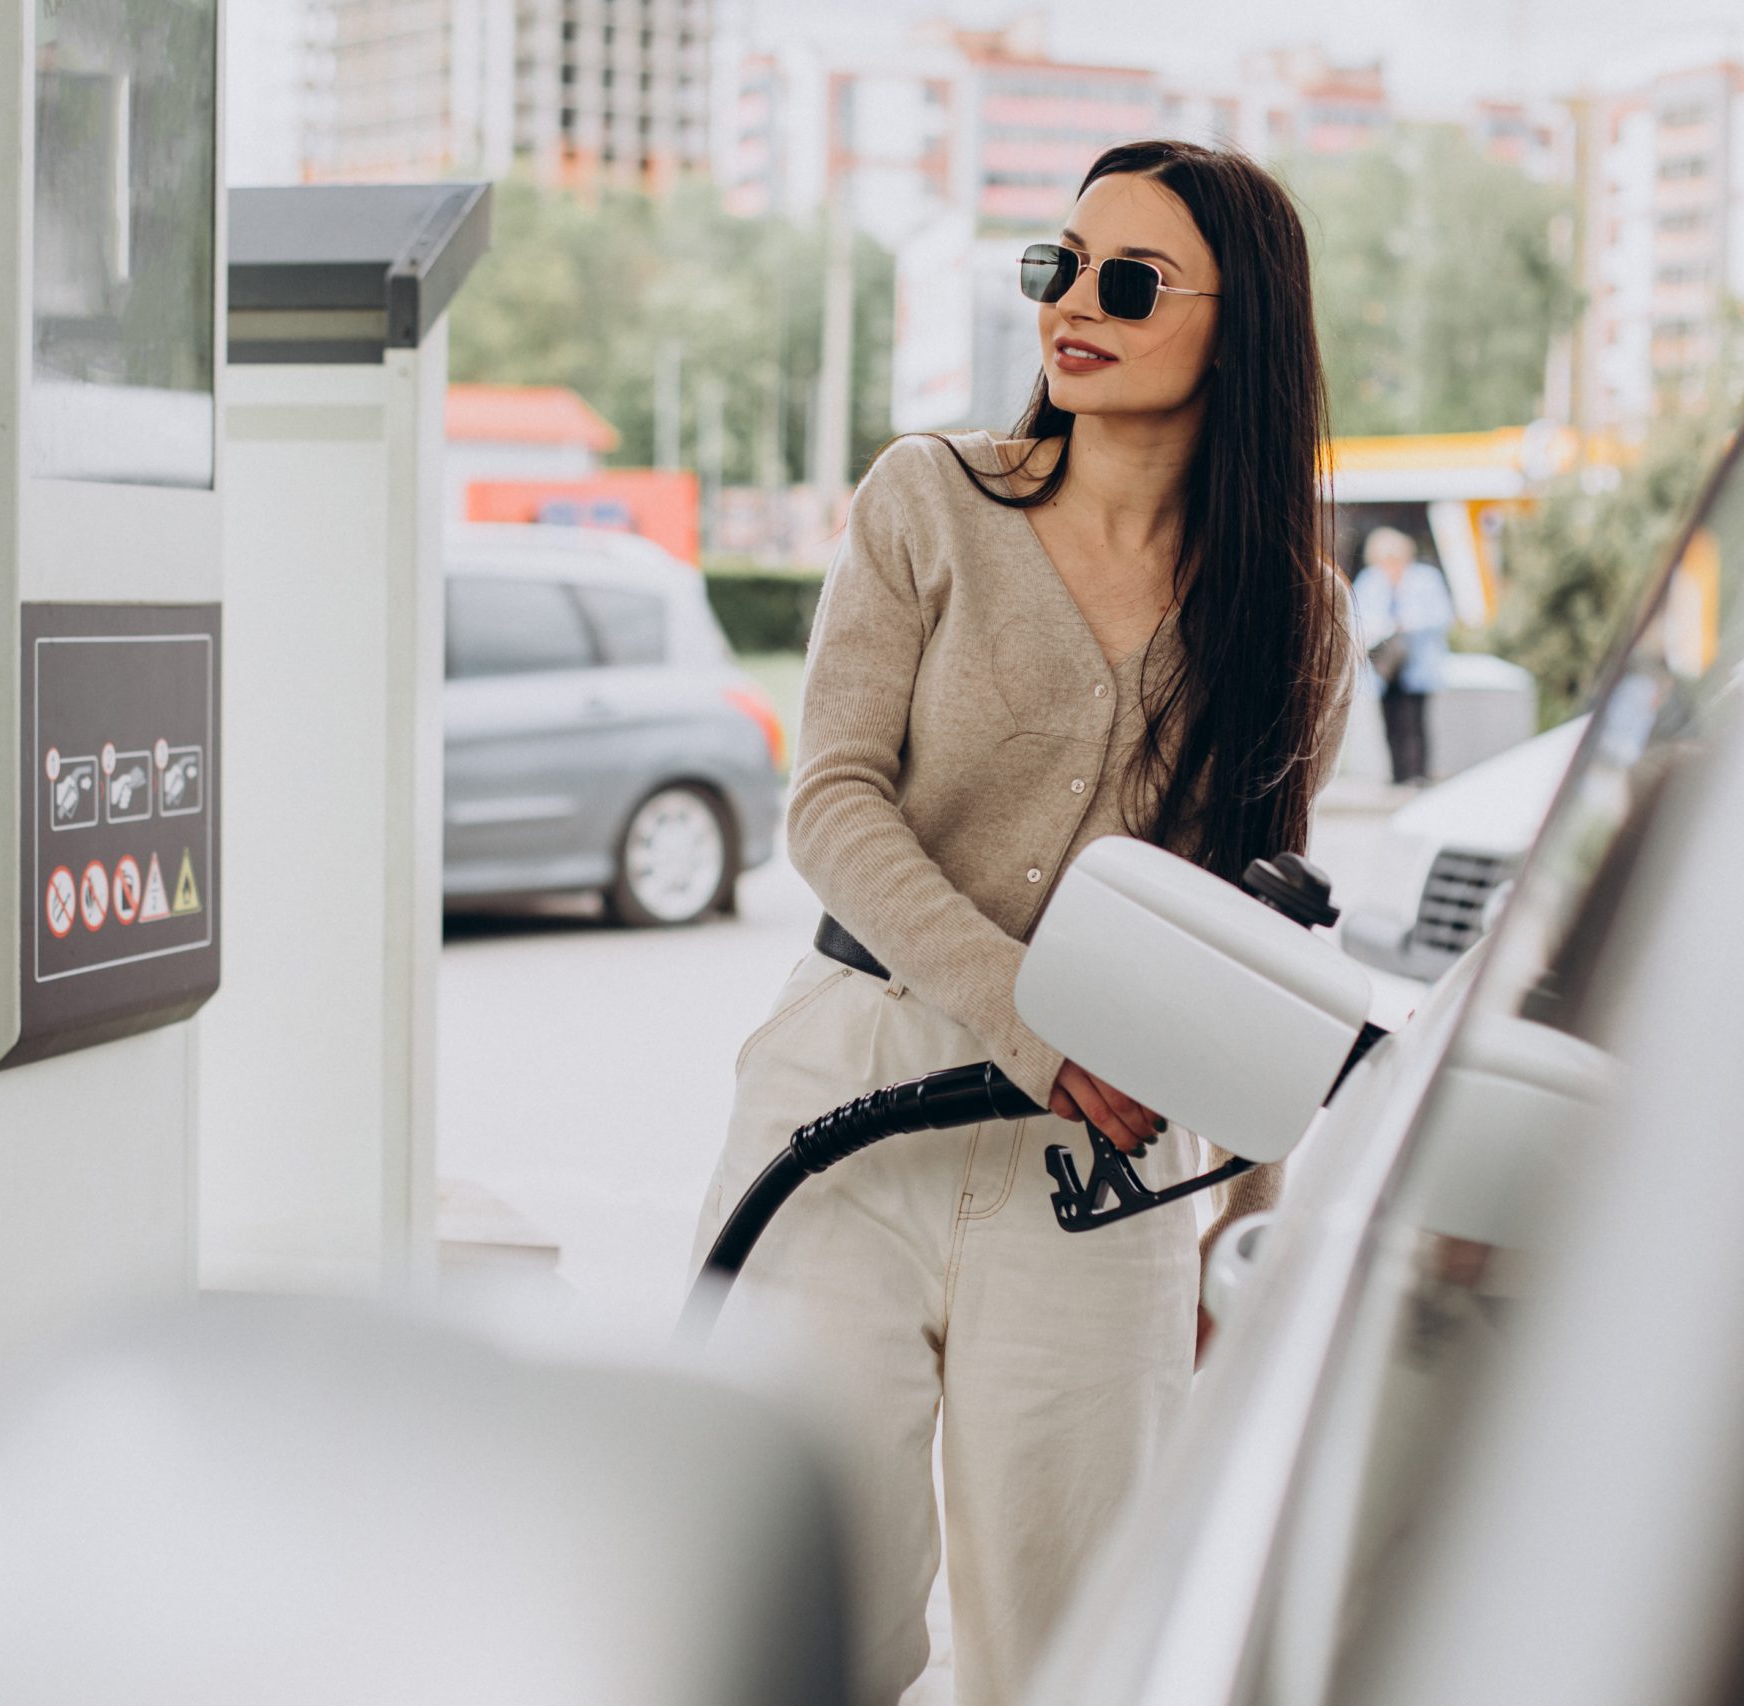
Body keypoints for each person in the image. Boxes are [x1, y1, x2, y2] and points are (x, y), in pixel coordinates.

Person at [692, 140, 1351, 1706]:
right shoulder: (931, 499)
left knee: (1071, 1642)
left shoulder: (1291, 613)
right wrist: (1024, 1010)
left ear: (1237, 322)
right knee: (810, 1617)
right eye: (1057, 266)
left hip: (1105, 1175)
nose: (1076, 304)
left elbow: (1264, 935)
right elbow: (831, 804)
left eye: (1129, 281)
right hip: (848, 1103)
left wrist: (1244, 1229)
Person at [1351, 525, 1454, 784]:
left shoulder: (1426, 578)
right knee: (1390, 720)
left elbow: (1442, 616)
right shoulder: (1370, 580)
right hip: (1386, 666)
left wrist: (1408, 623)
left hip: (1416, 662)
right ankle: (1397, 775)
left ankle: (1416, 774)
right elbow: (1357, 617)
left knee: (1414, 721)